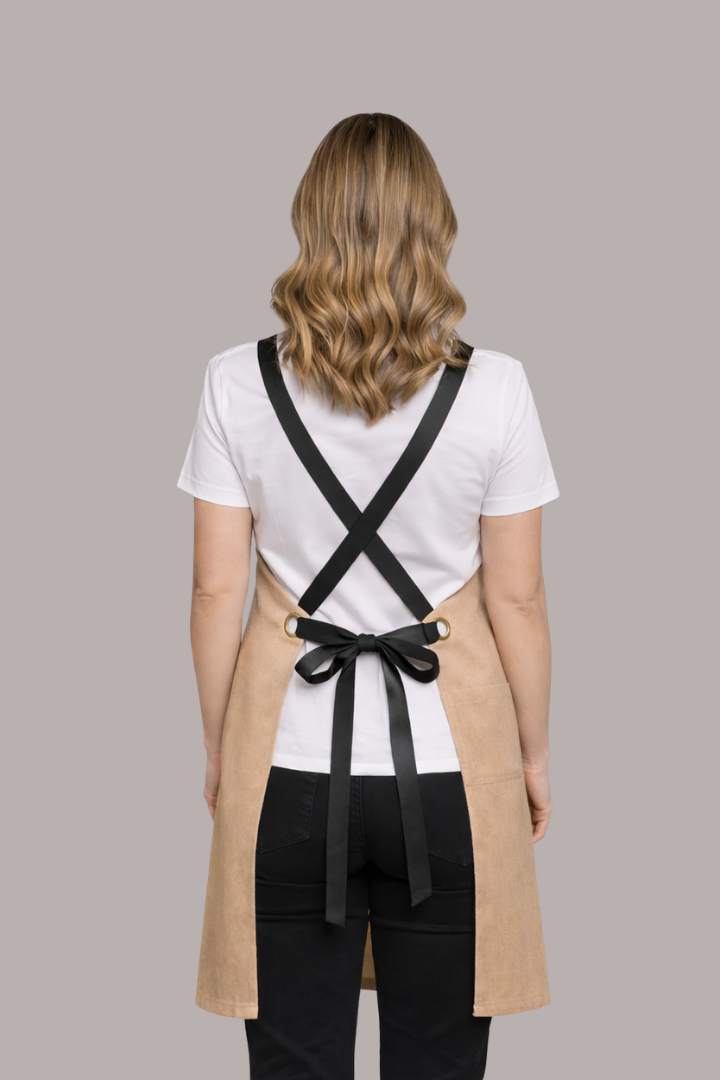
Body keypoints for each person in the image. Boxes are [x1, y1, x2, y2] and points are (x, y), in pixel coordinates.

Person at [177, 113, 558, 1080]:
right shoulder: (497, 389)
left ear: (309, 220)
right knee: (439, 1064)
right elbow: (517, 602)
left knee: (293, 1063)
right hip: (452, 774)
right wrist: (533, 754)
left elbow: (216, 590)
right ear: (436, 226)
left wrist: (221, 748)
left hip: (287, 767)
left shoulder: (235, 383)